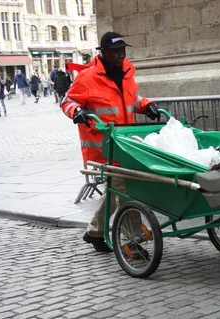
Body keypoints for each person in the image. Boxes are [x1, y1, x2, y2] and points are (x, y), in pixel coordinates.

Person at [61, 31, 161, 252]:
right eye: (116, 51)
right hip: (104, 146)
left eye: (123, 51)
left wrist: (146, 105)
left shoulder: (126, 72)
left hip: (126, 143)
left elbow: (131, 99)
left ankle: (95, 232)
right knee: (125, 189)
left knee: (118, 191)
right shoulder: (87, 77)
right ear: (103, 53)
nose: (121, 55)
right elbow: (68, 101)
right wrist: (76, 111)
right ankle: (132, 242)